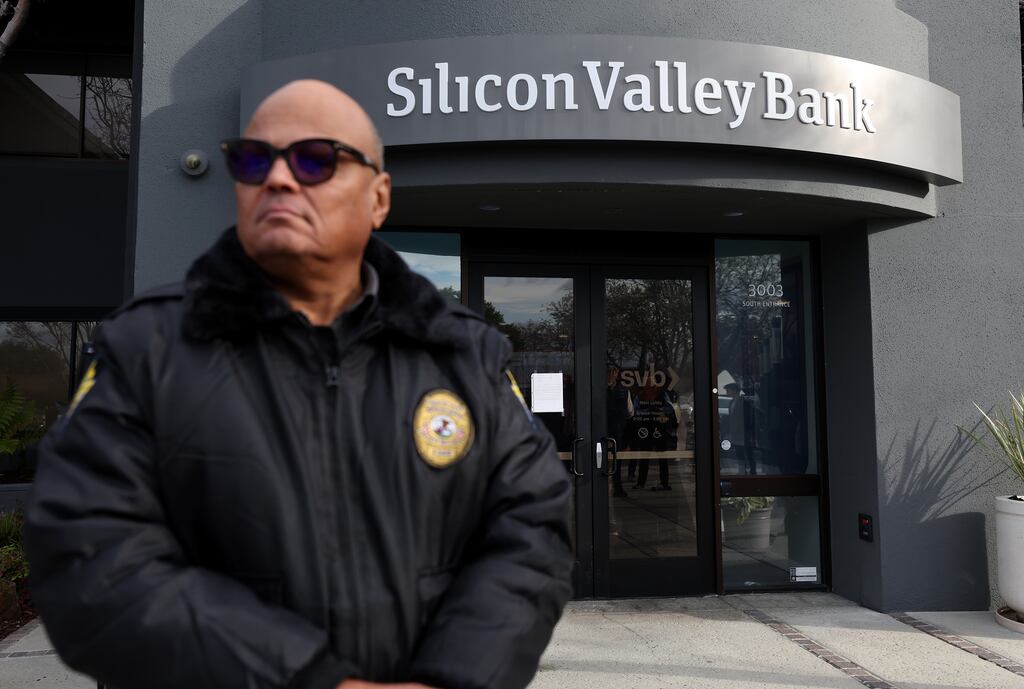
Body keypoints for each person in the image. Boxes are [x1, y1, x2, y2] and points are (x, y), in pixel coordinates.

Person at [24, 80, 574, 689]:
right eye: (255, 160)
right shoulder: (143, 351)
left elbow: (532, 530)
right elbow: (90, 556)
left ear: (378, 197)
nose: (280, 180)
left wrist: (460, 675)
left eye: (316, 160)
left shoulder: (465, 354)